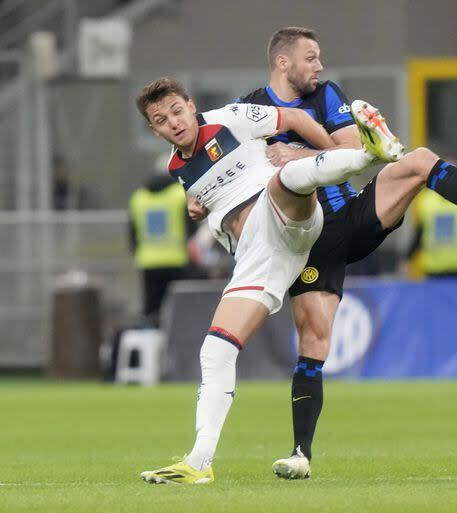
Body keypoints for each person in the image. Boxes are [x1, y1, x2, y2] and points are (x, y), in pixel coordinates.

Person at [237, 26, 457, 480]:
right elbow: (238, 173)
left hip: (351, 215)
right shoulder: (251, 109)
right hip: (307, 240)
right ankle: (301, 454)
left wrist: (296, 152)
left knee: (419, 160)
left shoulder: (326, 95)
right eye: (311, 58)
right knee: (313, 343)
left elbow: (348, 149)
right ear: (283, 62)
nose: (320, 66)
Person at [136, 76, 403, 485]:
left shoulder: (229, 119)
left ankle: (368, 155)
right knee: (215, 351)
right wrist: (198, 204)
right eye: (161, 119)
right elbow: (210, 190)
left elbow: (294, 116)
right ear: (154, 130)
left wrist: (337, 148)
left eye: (176, 111)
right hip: (258, 258)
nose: (172, 121)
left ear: (191, 107)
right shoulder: (178, 167)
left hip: (284, 218)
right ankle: (199, 463)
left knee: (286, 179)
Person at [128, 161, 195, 325]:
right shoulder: (179, 195)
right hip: (176, 261)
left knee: (151, 310)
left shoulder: (138, 198)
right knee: (179, 310)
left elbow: (132, 233)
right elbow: (191, 228)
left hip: (148, 262)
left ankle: (151, 343)